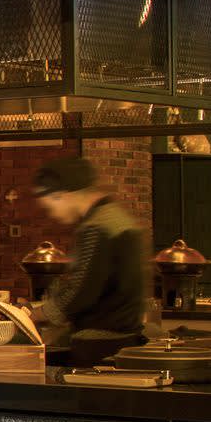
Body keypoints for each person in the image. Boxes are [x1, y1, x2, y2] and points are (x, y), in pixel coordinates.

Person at [30, 156, 148, 368]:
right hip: (124, 340)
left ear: (61, 195)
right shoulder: (117, 218)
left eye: (49, 208)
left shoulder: (97, 227)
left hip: (100, 346)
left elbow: (82, 289)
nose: (52, 216)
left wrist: (37, 315)